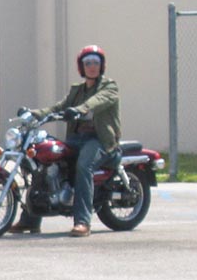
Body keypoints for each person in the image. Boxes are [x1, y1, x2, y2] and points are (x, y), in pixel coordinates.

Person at [11, 44, 121, 238]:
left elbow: (97, 101)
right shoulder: (77, 91)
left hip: (99, 140)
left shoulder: (109, 87)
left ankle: (83, 222)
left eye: (96, 62)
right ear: (81, 66)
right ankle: (30, 219)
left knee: (84, 166)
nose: (92, 66)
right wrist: (33, 113)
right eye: (88, 63)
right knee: (42, 162)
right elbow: (58, 107)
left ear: (102, 65)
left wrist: (79, 110)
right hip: (76, 139)